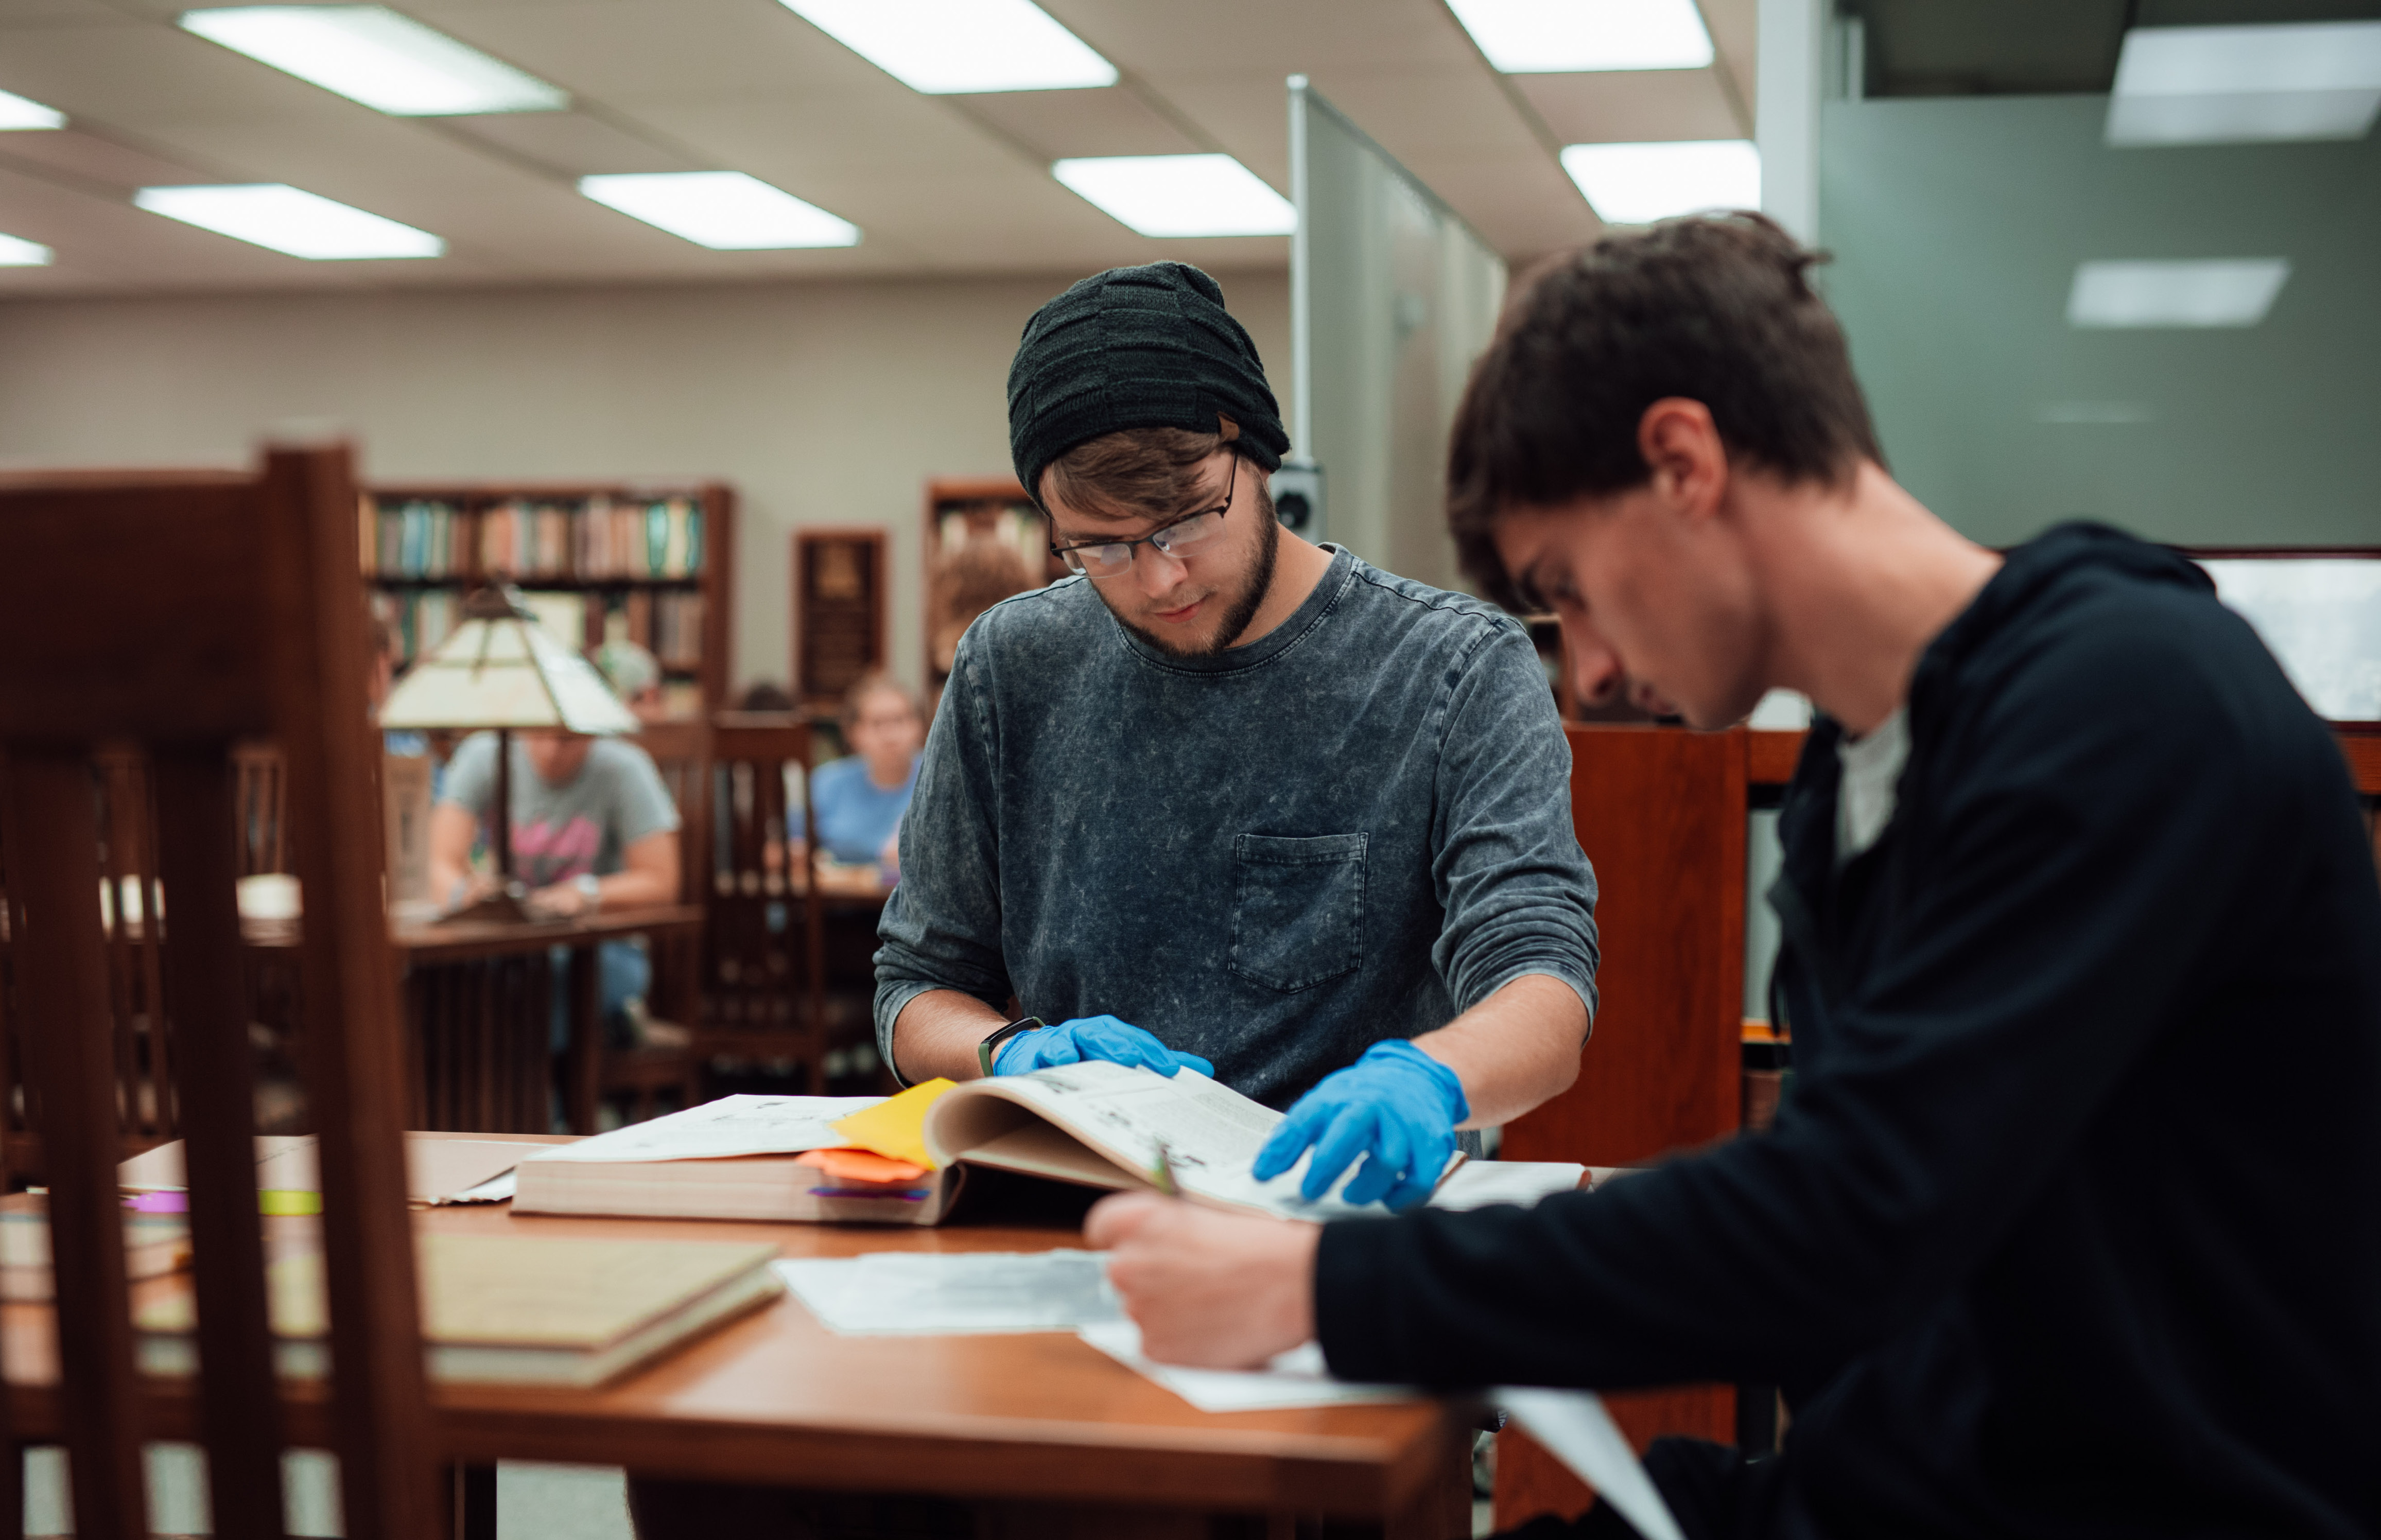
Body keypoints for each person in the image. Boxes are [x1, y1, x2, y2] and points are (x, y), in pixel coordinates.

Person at [1085, 216, 2381, 1539]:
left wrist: (1324, 1287)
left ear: (1682, 462)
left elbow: (1851, 1216)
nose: (1584, 669)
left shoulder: (2125, 708)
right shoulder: (1857, 780)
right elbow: (1891, 1252)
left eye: (1568, 586)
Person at [877, 259, 1600, 1212]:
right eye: (1102, 546)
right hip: (1083, 1210)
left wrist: (1432, 1077)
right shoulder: (1013, 666)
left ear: (1255, 453)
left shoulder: (1454, 666)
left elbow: (1544, 981)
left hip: (1344, 1220)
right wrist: (1005, 1047)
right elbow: (915, 985)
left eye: (1188, 520)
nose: (1160, 578)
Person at [429, 728, 681, 1052]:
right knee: (452, 979)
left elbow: (662, 882)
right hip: (508, 948)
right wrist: (466, 894)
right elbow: (438, 862)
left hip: (597, 950)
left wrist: (587, 895)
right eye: (540, 734)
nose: (551, 750)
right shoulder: (483, 756)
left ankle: (536, 1097)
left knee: (542, 981)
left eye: (567, 738)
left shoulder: (624, 767)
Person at [805, 672, 925, 869]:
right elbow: (785, 849)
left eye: (900, 720)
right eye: (877, 723)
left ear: (919, 726)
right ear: (853, 732)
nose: (890, 735)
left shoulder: (941, 781)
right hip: (839, 897)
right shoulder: (826, 782)